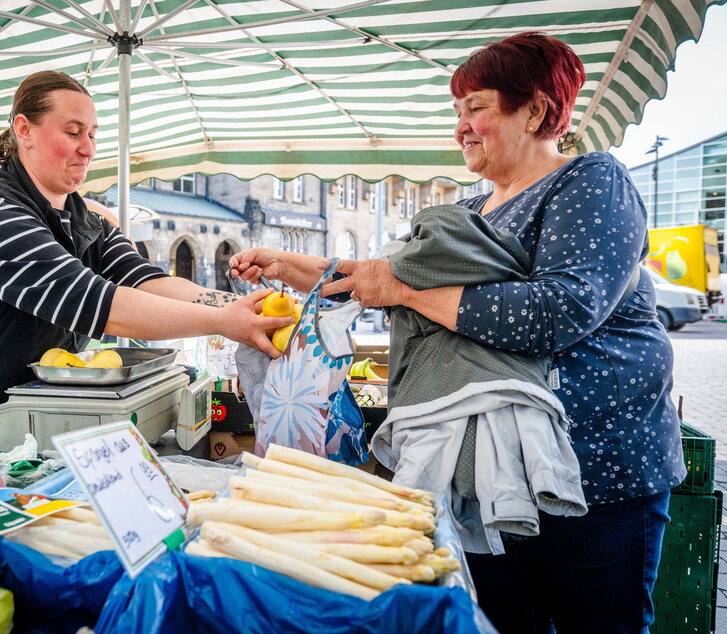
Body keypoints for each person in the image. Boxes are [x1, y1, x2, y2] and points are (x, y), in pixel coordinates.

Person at [230, 32, 685, 634]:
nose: (461, 127)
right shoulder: (471, 212)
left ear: (537, 111)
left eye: (478, 108)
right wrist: (288, 265)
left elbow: (560, 310)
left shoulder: (591, 181)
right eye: (458, 112)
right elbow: (384, 276)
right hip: (485, 482)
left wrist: (404, 291)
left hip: (594, 479)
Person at [0, 70, 291, 421]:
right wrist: (224, 323)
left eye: (92, 134)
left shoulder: (84, 220)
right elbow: (104, 307)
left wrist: (244, 308)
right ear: (24, 130)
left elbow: (145, 282)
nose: (88, 148)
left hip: (8, 418)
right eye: (73, 132)